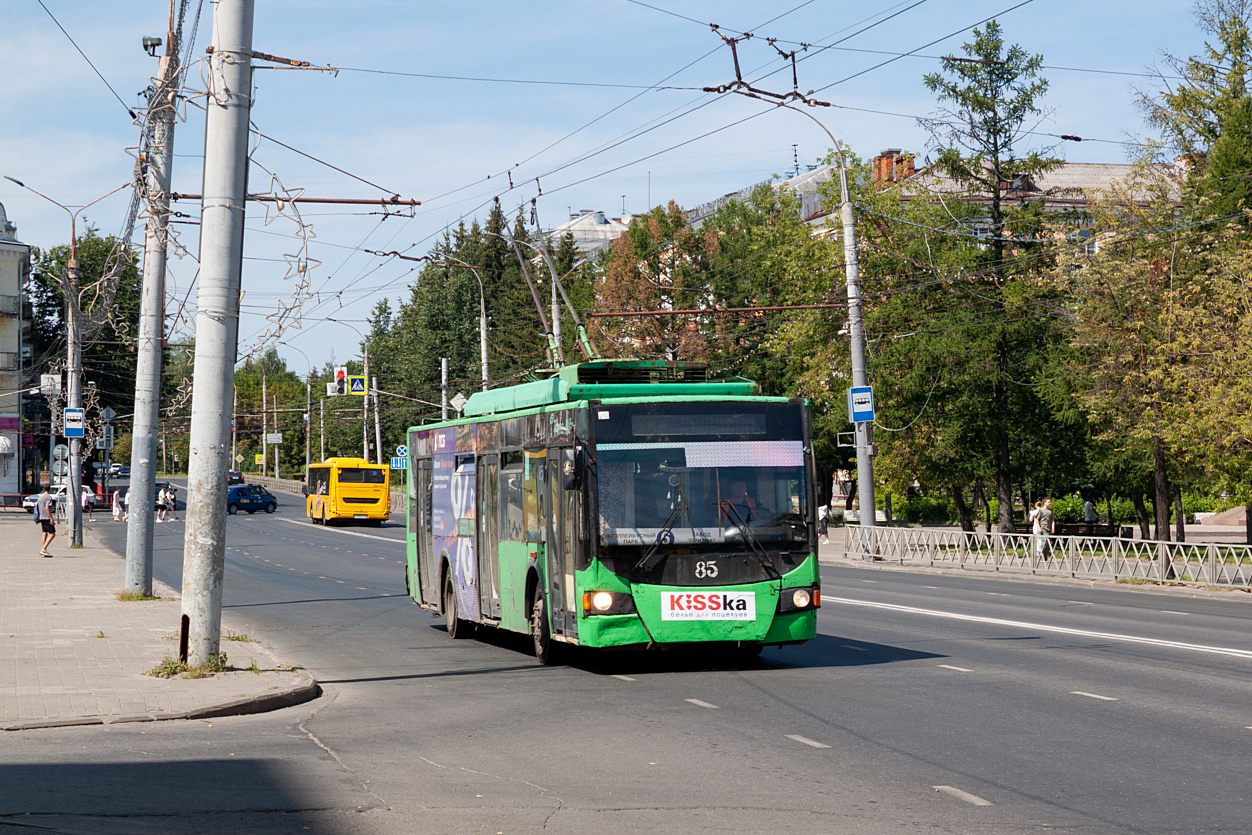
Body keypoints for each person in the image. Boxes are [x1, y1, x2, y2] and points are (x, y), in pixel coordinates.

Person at [34, 484, 57, 557]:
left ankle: (44, 551)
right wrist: (51, 518)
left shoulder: (40, 497)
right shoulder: (48, 497)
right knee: (52, 534)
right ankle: (43, 549)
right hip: (46, 517)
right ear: (49, 489)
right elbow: (47, 507)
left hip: (41, 516)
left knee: (44, 533)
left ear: (43, 489)